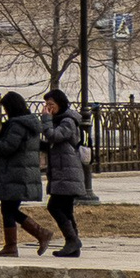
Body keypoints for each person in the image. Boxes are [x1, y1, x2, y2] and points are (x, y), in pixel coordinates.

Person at [0, 88, 50, 256]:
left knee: (9, 209)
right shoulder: (29, 124)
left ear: (12, 108)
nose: (5, 112)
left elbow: (8, 147)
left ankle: (36, 235)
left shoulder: (17, 125)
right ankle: (15, 244)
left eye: (6, 109)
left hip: (14, 173)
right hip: (20, 173)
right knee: (9, 209)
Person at [40, 86, 91, 259]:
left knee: (54, 206)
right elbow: (52, 142)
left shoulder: (68, 121)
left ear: (60, 104)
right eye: (46, 104)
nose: (48, 108)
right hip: (63, 172)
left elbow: (55, 136)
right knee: (66, 210)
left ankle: (72, 240)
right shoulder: (60, 120)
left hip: (68, 173)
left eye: (51, 104)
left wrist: (46, 120)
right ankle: (73, 246)